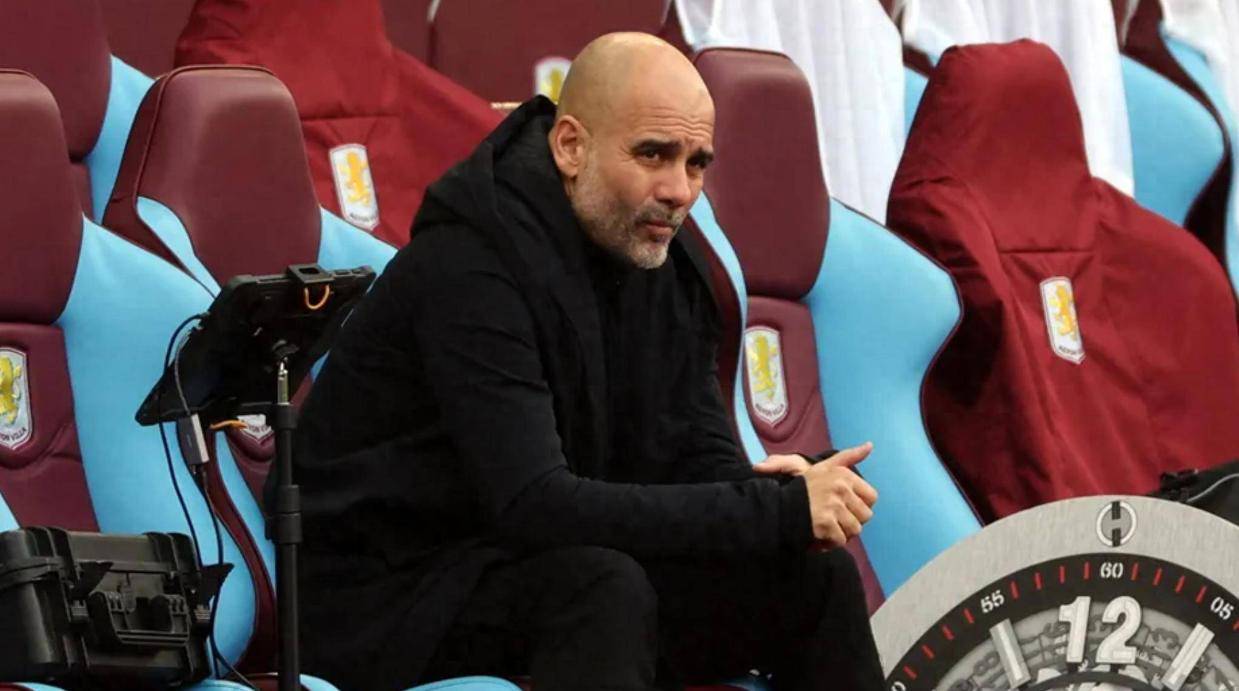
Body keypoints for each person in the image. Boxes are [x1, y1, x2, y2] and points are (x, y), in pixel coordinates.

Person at [284, 31, 884, 691]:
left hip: (535, 566)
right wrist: (771, 511)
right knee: (602, 587)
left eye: (695, 163)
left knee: (811, 574)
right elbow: (534, 502)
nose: (679, 190)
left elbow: (694, 456)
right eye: (653, 154)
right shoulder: (471, 266)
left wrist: (778, 494)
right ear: (571, 146)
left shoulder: (660, 254)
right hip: (388, 593)